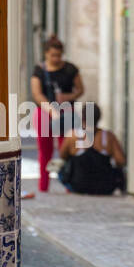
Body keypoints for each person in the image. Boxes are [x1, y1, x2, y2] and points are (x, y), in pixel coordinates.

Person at [26, 34, 85, 198]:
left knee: (65, 149)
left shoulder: (71, 69)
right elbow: (37, 94)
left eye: (59, 55)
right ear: (46, 54)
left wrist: (67, 97)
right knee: (45, 151)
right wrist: (51, 110)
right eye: (53, 55)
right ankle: (44, 186)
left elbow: (80, 90)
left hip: (66, 112)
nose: (56, 58)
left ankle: (68, 183)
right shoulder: (39, 70)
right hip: (44, 113)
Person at [57, 104, 126, 195]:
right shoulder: (109, 136)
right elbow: (121, 160)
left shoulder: (73, 135)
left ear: (82, 117)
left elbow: (62, 156)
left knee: (61, 168)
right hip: (104, 187)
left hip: (78, 185)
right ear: (99, 117)